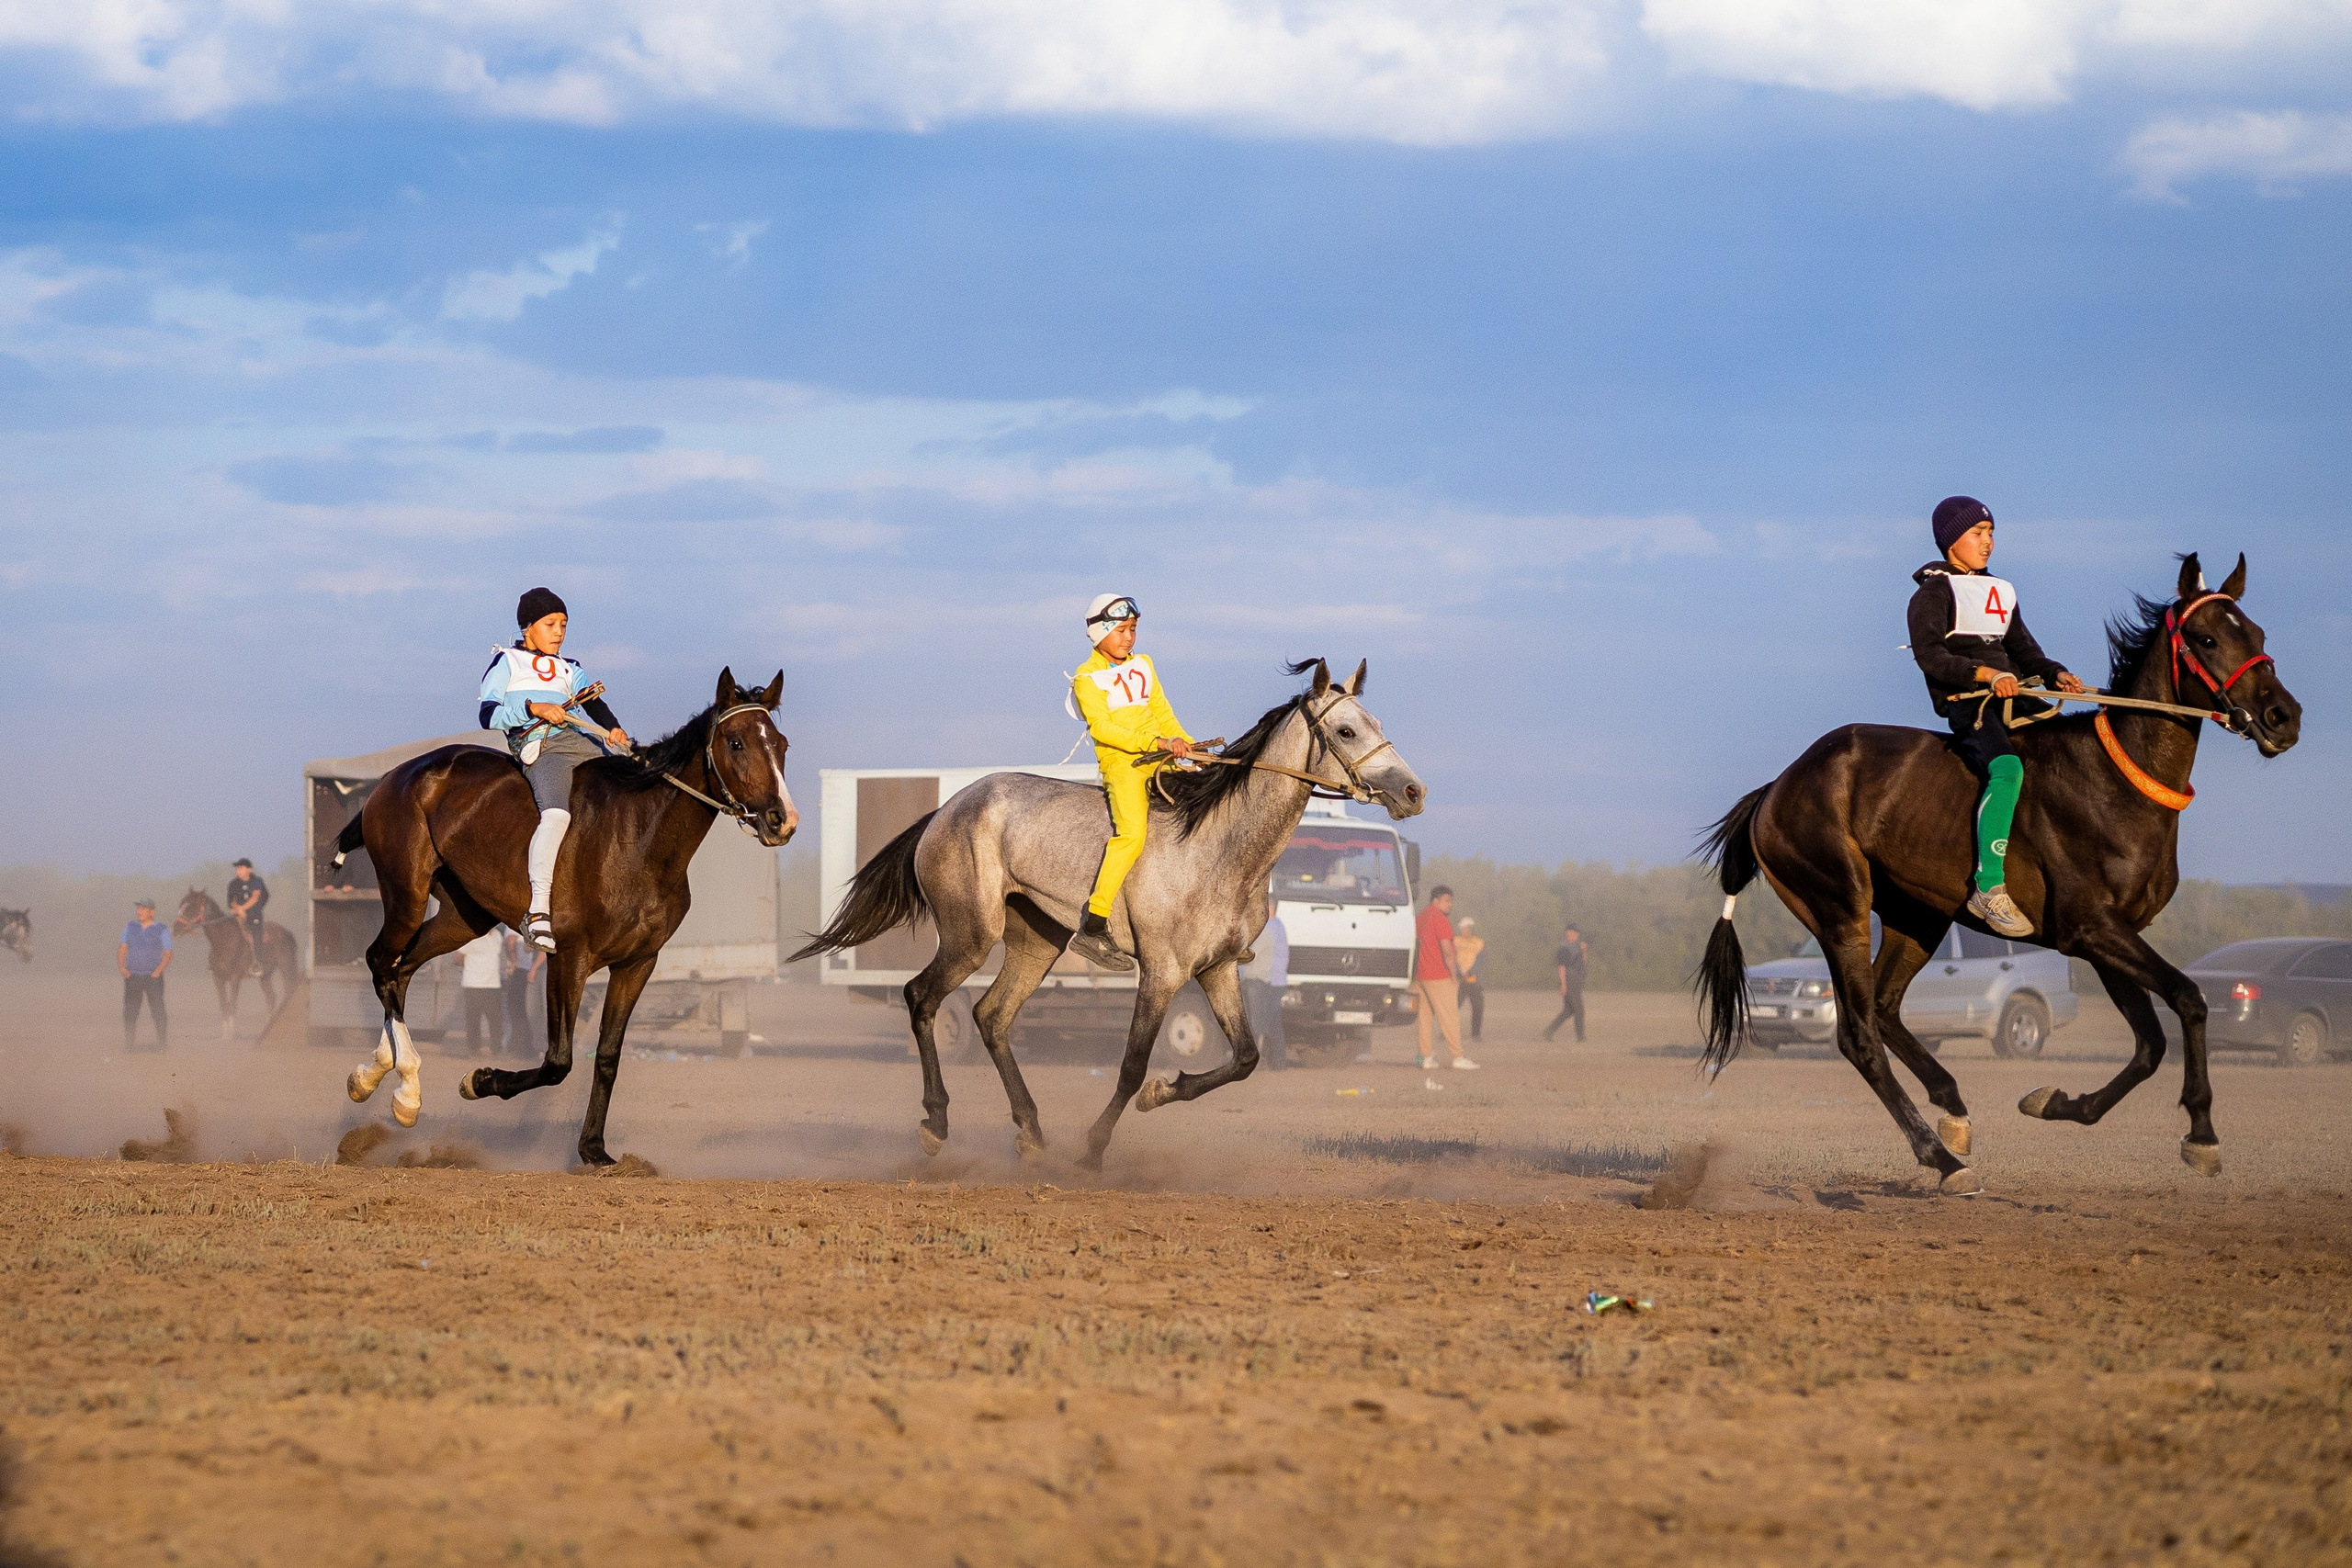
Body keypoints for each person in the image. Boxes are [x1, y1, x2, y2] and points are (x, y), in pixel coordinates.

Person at [1909, 497, 2086, 939]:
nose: (1988, 542)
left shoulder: (2001, 590)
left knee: (2072, 749)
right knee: (2006, 768)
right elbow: (1930, 656)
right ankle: (1988, 887)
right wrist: (1984, 673)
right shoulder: (1932, 593)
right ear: (1952, 541)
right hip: (1970, 700)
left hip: (2015, 693)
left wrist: (2055, 672)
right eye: (1977, 533)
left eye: (1991, 533)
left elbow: (2025, 651)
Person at [479, 587, 632, 953]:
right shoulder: (507, 662)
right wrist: (534, 708)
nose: (559, 631)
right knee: (557, 817)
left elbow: (593, 703)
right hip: (543, 747)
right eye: (550, 624)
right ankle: (538, 911)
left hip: (584, 742)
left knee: (630, 790)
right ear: (528, 627)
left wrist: (613, 727)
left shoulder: (570, 667)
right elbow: (488, 715)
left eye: (563, 624)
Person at [1067, 592, 1194, 970]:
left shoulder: (1145, 665)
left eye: (1133, 629)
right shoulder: (1086, 677)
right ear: (1100, 634)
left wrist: (1182, 744)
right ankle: (1093, 925)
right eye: (1121, 630)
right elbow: (1104, 730)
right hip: (1122, 765)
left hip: (1161, 755)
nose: (1129, 638)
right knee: (1132, 836)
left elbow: (1163, 714)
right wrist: (1156, 742)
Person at [1411, 885, 1476, 1070]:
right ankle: (1457, 1057)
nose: (1450, 905)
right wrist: (1454, 974)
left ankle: (1425, 1058)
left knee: (1424, 1019)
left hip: (1420, 976)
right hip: (1438, 975)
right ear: (1436, 901)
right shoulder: (1439, 919)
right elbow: (1447, 950)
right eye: (1446, 901)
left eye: (1451, 901)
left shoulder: (1420, 917)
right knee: (1449, 1016)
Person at [1239, 890, 1289, 1071]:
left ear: (1270, 907)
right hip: (1274, 982)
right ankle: (1278, 1062)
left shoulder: (1269, 928)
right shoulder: (1278, 926)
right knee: (1271, 1023)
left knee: (1258, 1023)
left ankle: (1258, 1061)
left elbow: (1250, 953)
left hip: (1264, 982)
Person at [118, 897, 173, 1051]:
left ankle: (162, 1045)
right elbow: (123, 948)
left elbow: (168, 953)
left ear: (152, 912)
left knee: (158, 1010)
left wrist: (158, 971)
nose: (139, 911)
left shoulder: (161, 929)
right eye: (138, 908)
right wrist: (122, 967)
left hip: (153, 978)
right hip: (133, 976)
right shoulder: (130, 927)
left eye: (143, 908)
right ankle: (129, 1045)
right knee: (130, 1011)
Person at [457, 927, 503, 1056]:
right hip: (473, 984)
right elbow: (457, 957)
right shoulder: (471, 936)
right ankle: (473, 1048)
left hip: (493, 985)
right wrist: (472, 968)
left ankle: (496, 1049)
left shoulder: (498, 936)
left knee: (495, 1019)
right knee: (473, 1019)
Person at [501, 924, 542, 1055]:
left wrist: (513, 961)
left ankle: (519, 1046)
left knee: (517, 1010)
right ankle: (525, 1047)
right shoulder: (537, 922)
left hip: (522, 971)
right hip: (532, 971)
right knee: (528, 1010)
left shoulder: (516, 923)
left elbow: (511, 942)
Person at [1543, 923, 1588, 1043]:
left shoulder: (1576, 947)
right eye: (1573, 932)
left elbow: (1583, 961)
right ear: (1568, 933)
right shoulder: (1564, 948)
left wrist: (1583, 950)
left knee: (1568, 1010)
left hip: (1576, 981)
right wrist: (1563, 984)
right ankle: (1581, 1037)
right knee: (1579, 1010)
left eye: (1576, 933)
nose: (1576, 935)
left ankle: (1548, 1032)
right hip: (1569, 981)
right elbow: (1561, 967)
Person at [225, 857, 268, 978]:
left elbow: (255, 897)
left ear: (249, 869)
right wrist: (237, 910)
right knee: (223, 932)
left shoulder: (256, 881)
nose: (238, 871)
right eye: (237, 868)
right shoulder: (233, 884)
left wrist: (243, 909)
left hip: (254, 914)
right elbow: (231, 901)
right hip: (238, 914)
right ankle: (214, 962)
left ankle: (257, 963)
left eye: (241, 868)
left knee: (255, 934)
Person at [1454, 915, 1487, 1043]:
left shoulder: (1479, 943)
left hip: (1474, 982)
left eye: (1465, 928)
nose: (1463, 930)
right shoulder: (1455, 941)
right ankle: (1447, 1032)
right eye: (1462, 928)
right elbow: (1451, 958)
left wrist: (1470, 972)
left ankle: (1476, 1034)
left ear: (1470, 929)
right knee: (1453, 1008)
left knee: (1478, 1008)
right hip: (1460, 981)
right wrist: (1458, 972)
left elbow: (1480, 962)